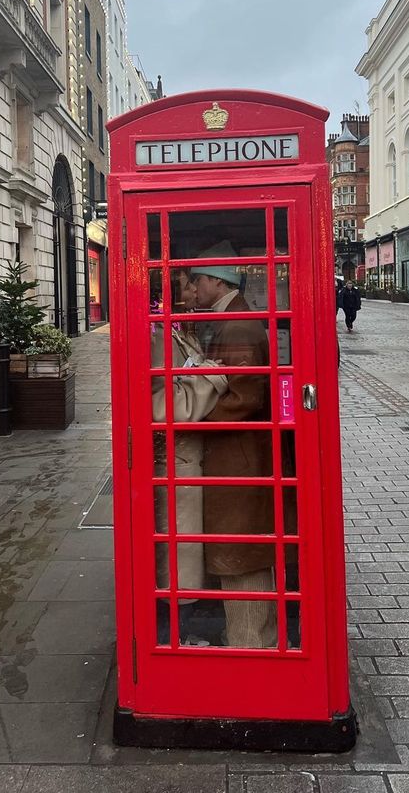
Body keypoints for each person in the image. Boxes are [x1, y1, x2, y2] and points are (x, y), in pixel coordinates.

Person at [191, 241, 276, 649]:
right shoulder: (230, 318)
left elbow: (245, 395)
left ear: (215, 281)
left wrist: (191, 419)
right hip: (238, 452)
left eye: (197, 281)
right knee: (240, 550)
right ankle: (248, 639)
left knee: (241, 551)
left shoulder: (238, 324)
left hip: (238, 455)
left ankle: (251, 647)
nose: (192, 289)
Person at [150, 270, 229, 643]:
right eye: (186, 284)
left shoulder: (182, 332)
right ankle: (177, 631)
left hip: (193, 460)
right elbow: (164, 406)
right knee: (179, 556)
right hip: (176, 461)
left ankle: (186, 623)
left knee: (190, 552)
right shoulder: (158, 337)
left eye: (194, 282)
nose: (194, 289)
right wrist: (215, 377)